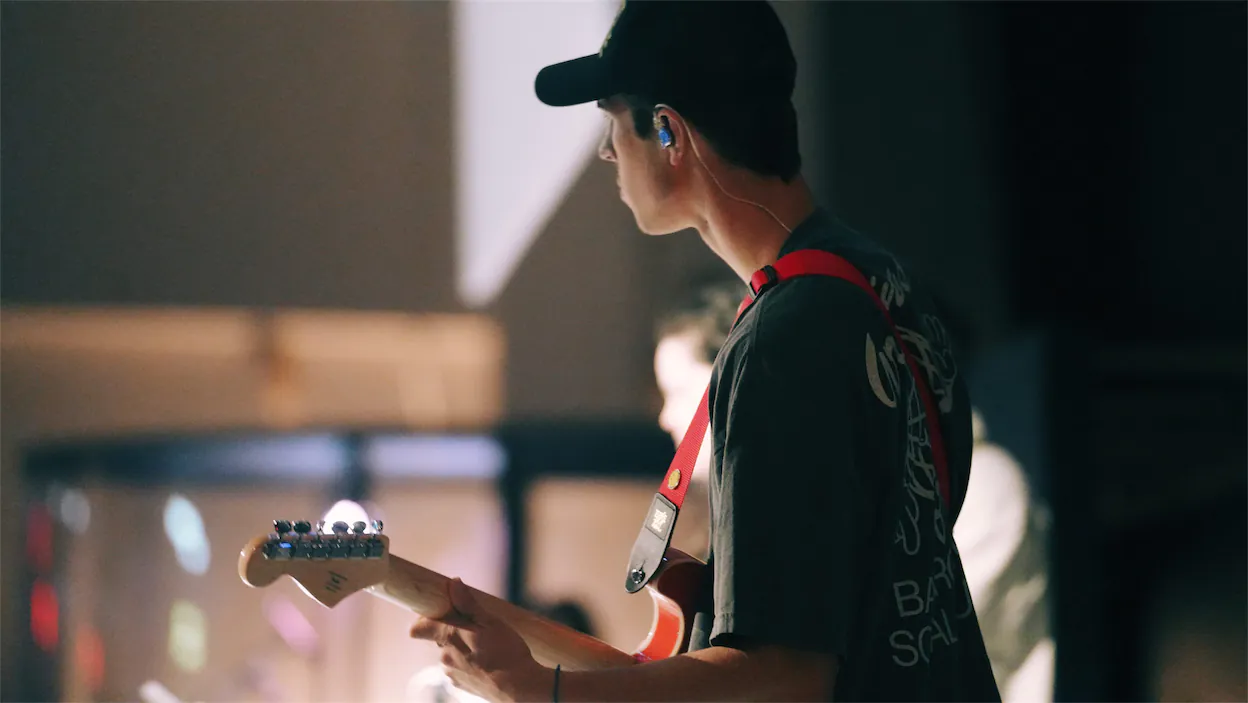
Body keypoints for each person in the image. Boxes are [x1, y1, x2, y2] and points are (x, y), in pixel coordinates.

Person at [410, 2, 1000, 700]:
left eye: (612, 121)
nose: (605, 152)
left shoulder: (784, 338)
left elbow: (783, 674)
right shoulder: (884, 287)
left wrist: (543, 691)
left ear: (669, 132)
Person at [655, 287, 1055, 701]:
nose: (666, 417)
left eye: (680, 391)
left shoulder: (985, 486)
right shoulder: (824, 490)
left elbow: (893, 651)